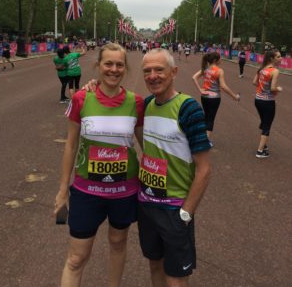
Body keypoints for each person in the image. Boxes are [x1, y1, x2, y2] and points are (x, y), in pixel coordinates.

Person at [54, 43, 144, 287]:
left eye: (119, 65)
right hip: (86, 193)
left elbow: (146, 145)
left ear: (125, 68)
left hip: (123, 192)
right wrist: (63, 190)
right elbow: (70, 145)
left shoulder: (136, 103)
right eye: (108, 64)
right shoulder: (82, 98)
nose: (114, 69)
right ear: (98, 66)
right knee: (76, 258)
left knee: (117, 244)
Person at [138, 48, 211, 287]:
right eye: (147, 71)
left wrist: (186, 212)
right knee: (154, 264)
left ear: (174, 72)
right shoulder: (147, 105)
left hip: (174, 208)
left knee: (176, 277)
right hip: (148, 204)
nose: (153, 76)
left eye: (159, 69)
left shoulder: (189, 109)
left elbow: (204, 168)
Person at [192, 52, 240, 144]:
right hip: (214, 98)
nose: (221, 60)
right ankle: (206, 141)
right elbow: (223, 86)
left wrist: (200, 90)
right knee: (211, 119)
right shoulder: (219, 70)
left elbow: (194, 77)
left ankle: (204, 137)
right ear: (215, 60)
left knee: (206, 117)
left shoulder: (205, 68)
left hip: (204, 96)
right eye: (219, 58)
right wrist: (234, 96)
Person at [252, 49, 283, 158]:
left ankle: (264, 145)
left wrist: (263, 89)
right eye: (278, 57)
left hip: (258, 100)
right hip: (268, 102)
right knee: (267, 126)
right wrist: (278, 89)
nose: (281, 58)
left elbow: (254, 82)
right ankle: (260, 151)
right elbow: (273, 88)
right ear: (272, 58)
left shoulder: (261, 68)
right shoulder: (275, 71)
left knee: (264, 122)